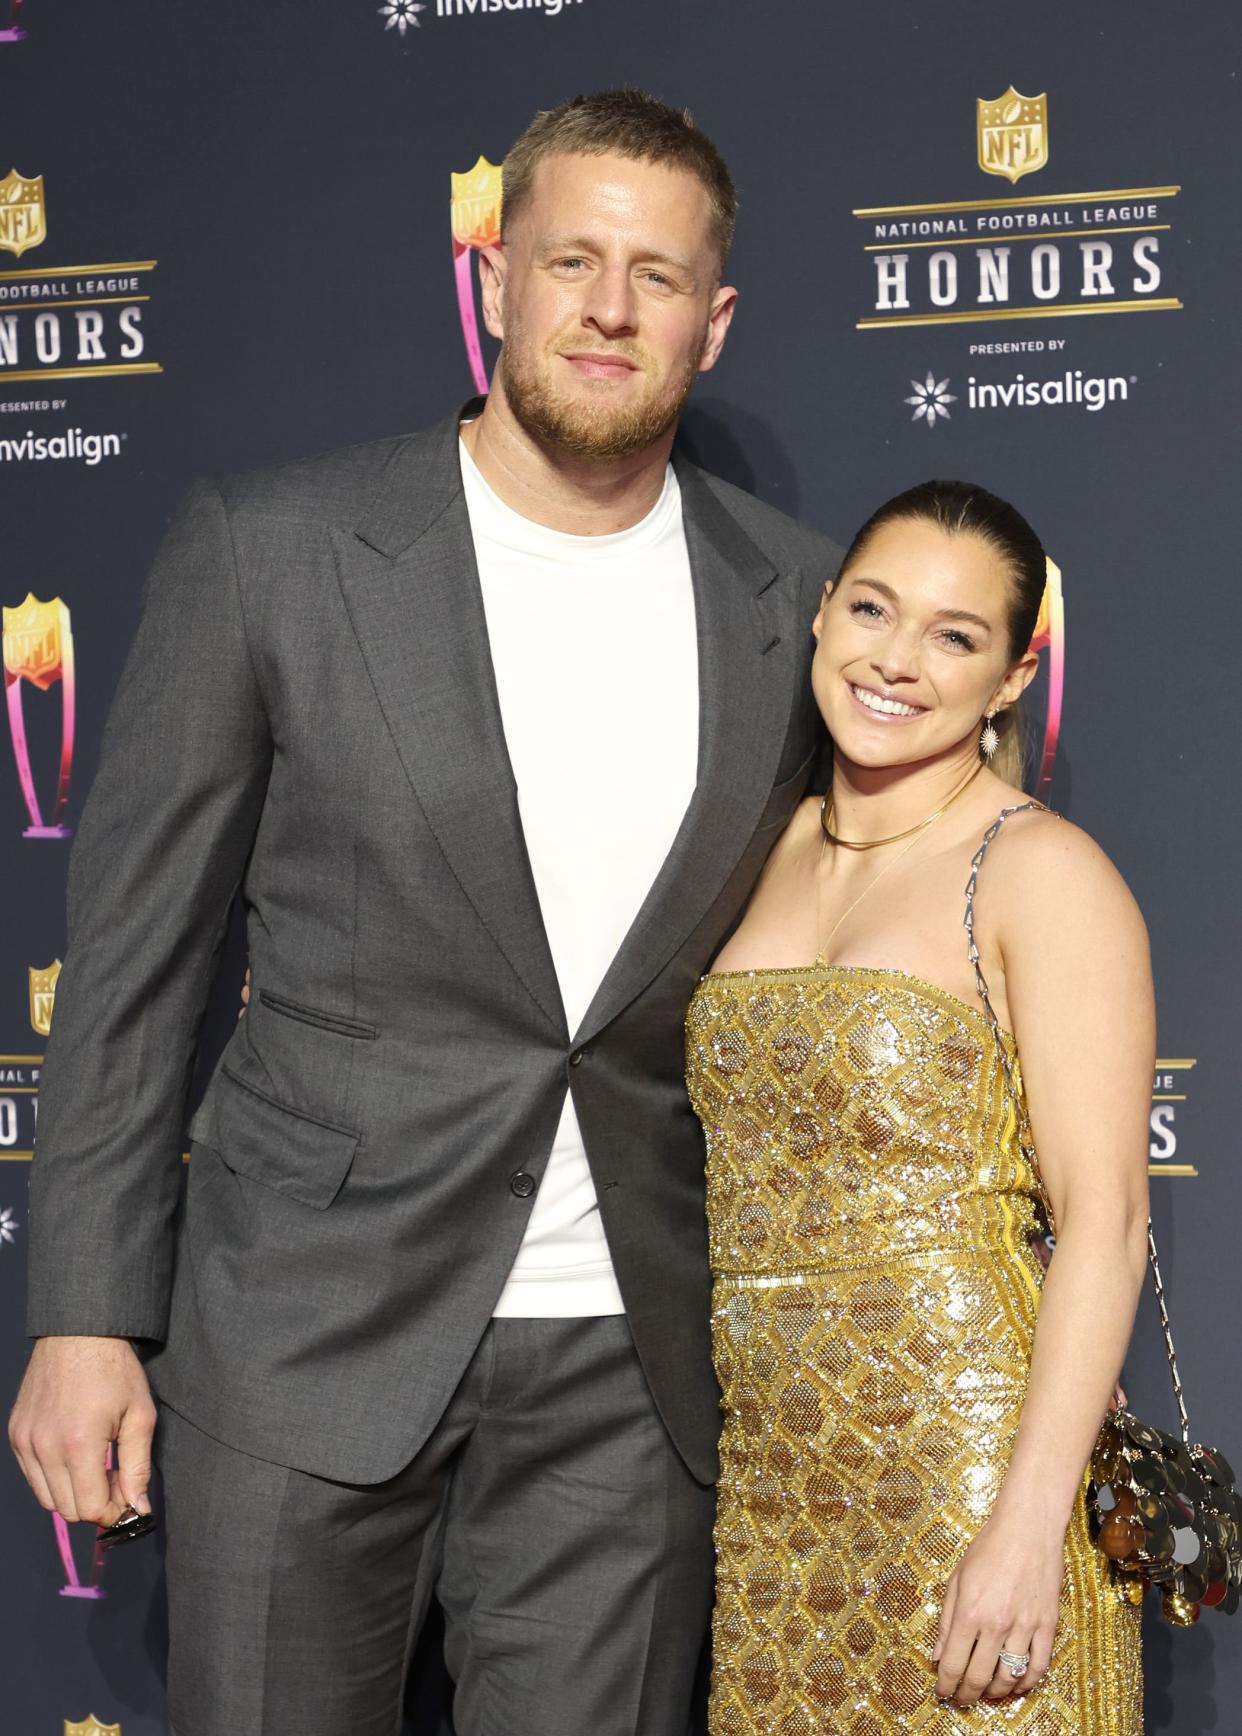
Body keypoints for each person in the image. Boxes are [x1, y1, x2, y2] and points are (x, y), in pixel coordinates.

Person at [7, 90, 839, 1736]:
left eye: (656, 277)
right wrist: (87, 1311)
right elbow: (129, 976)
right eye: (573, 260)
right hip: (303, 1334)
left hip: (629, 1378)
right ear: (497, 274)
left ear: (714, 320)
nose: (609, 308)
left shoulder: (804, 599)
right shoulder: (277, 550)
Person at [686, 481, 1150, 1731]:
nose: (896, 660)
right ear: (824, 614)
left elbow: (1104, 1224)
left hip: (970, 1458)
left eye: (955, 635)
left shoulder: (1040, 869)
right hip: (770, 1488)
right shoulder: (749, 844)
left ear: (1010, 678)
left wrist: (1027, 1525)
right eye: (874, 609)